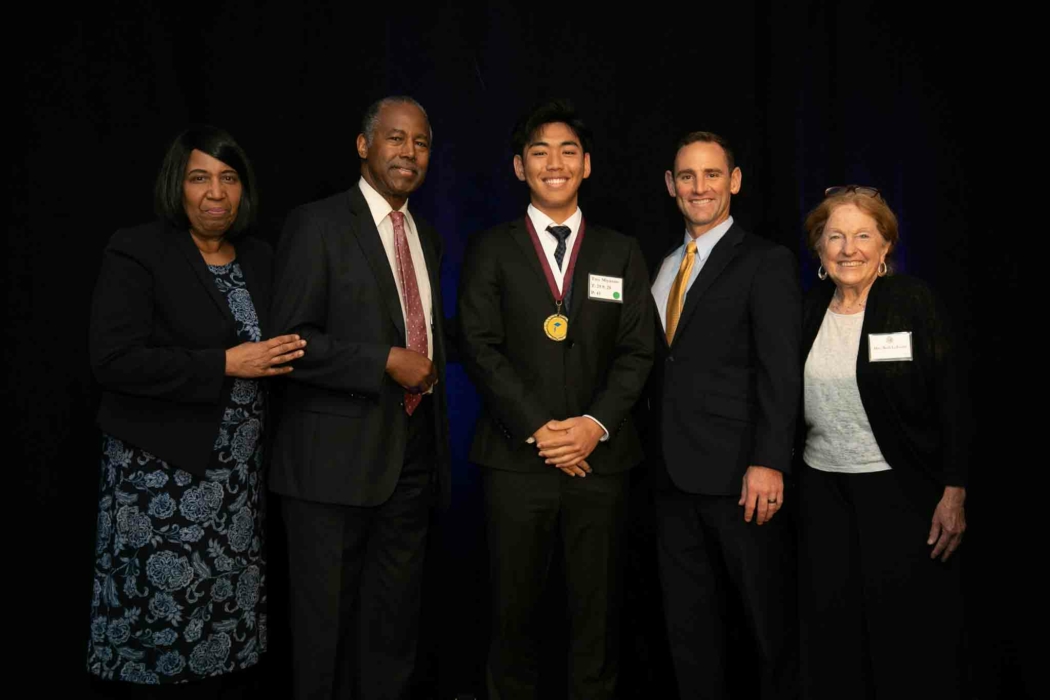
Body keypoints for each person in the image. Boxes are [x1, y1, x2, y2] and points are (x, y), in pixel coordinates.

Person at [87, 125, 305, 696]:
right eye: (200, 177)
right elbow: (113, 361)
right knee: (159, 636)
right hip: (158, 483)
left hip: (236, 486)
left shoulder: (260, 257)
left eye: (229, 178)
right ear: (176, 186)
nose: (216, 192)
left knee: (224, 635)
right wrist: (223, 364)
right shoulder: (138, 250)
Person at [458, 99, 654, 699]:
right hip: (517, 460)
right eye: (539, 152)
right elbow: (479, 345)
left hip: (600, 461)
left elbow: (638, 351)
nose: (555, 163)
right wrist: (540, 428)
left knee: (598, 614)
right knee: (511, 614)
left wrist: (593, 425)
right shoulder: (489, 248)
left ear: (586, 165)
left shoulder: (620, 250)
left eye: (568, 151)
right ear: (520, 167)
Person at [269, 96, 450, 700]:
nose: (409, 152)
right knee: (324, 637)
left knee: (392, 631)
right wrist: (384, 361)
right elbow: (289, 343)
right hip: (331, 469)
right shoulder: (317, 224)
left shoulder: (426, 235)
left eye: (420, 143)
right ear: (363, 145)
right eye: (396, 138)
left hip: (411, 460)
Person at [797, 185, 968, 699]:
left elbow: (952, 399)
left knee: (900, 635)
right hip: (822, 491)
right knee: (835, 631)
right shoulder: (808, 308)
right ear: (819, 248)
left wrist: (955, 488)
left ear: (885, 245)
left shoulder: (912, 301)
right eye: (835, 237)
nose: (848, 249)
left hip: (898, 491)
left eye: (863, 236)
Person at [650, 131, 801, 699]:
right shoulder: (664, 265)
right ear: (671, 185)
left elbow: (780, 371)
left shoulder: (766, 261)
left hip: (742, 480)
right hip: (669, 479)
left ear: (734, 181)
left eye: (712, 174)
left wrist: (769, 460)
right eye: (687, 176)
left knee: (765, 628)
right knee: (688, 632)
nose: (700, 187)